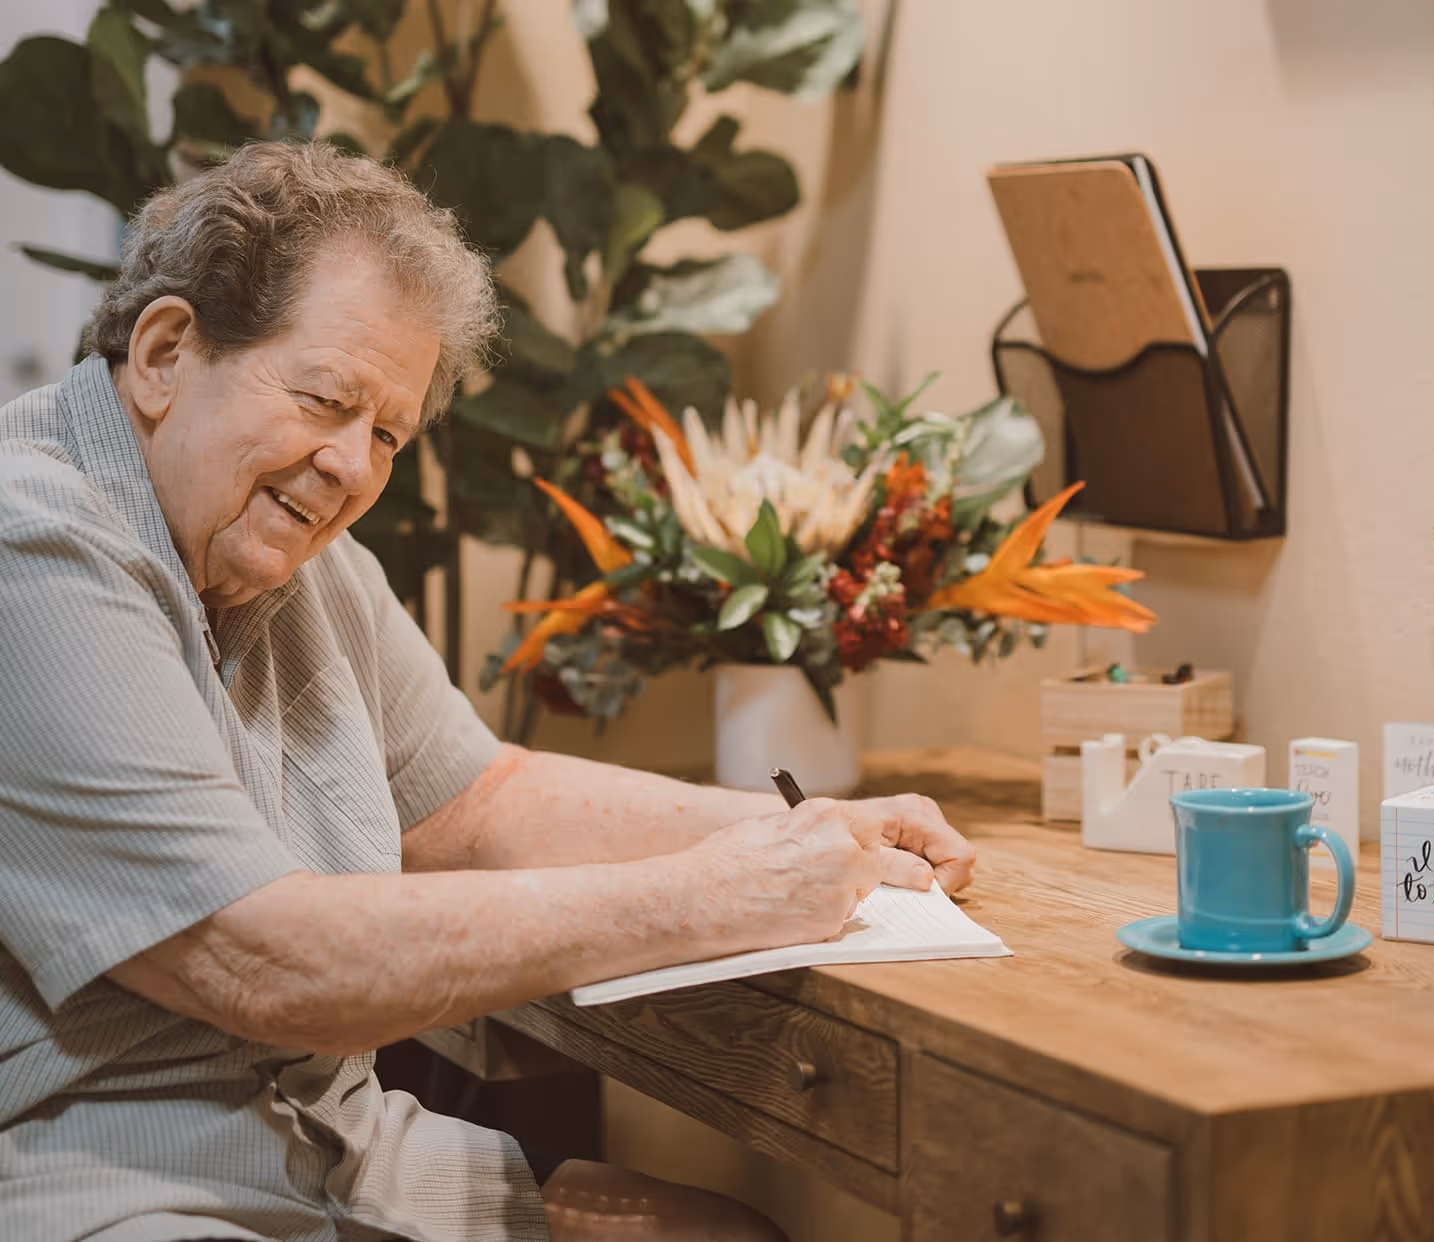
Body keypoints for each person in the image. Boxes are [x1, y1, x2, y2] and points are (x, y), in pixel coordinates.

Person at [0, 141, 975, 1242]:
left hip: (333, 1152)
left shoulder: (299, 557)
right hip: (104, 1175)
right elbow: (259, 958)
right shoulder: (30, 541)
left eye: (386, 434)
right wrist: (706, 898)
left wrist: (803, 829)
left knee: (730, 1234)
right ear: (167, 352)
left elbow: (475, 803)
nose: (350, 469)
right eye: (325, 399)